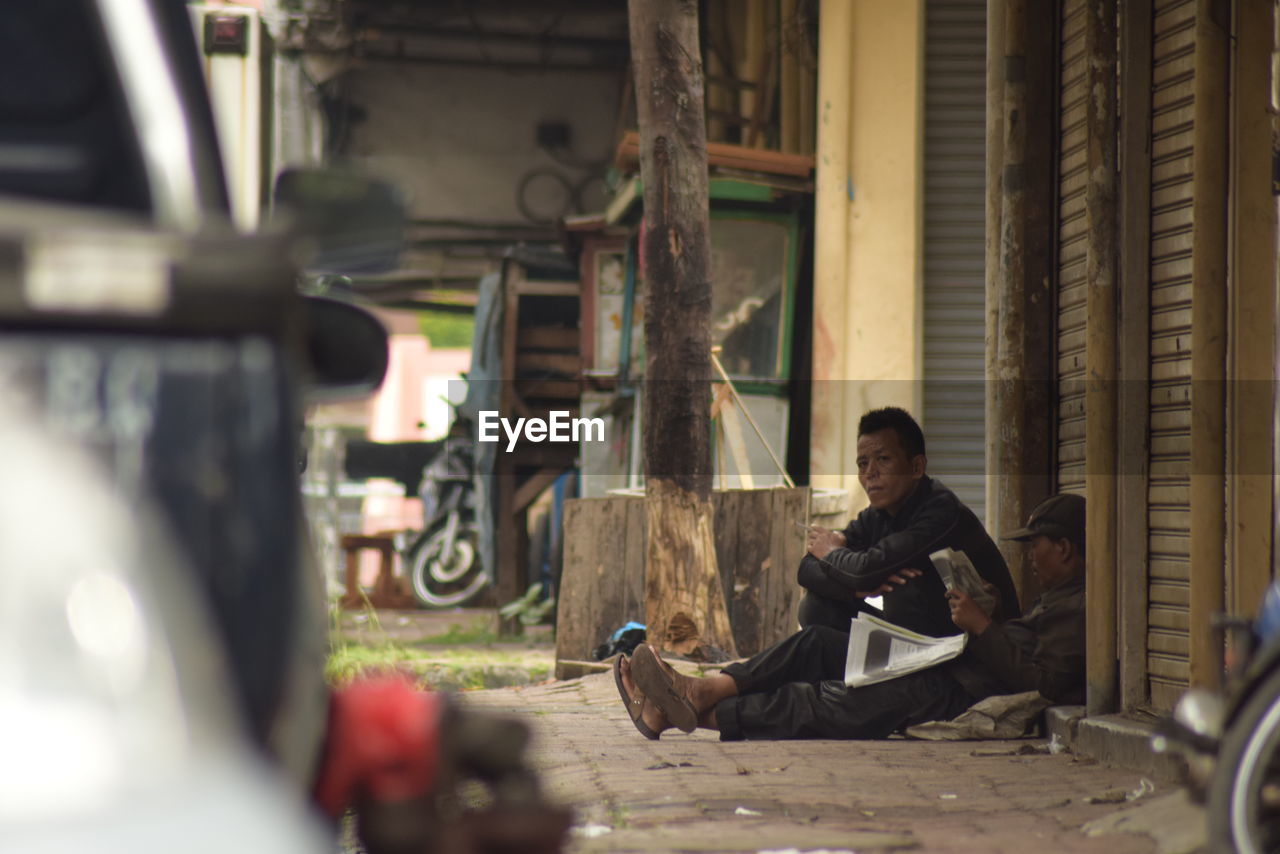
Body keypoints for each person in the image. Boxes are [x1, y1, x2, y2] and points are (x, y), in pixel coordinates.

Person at [614, 493, 1087, 741]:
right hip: (945, 662)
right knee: (815, 641)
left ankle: (672, 713)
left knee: (819, 703)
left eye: (1036, 547)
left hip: (954, 689)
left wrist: (983, 627)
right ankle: (698, 691)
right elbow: (809, 566)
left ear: (1063, 548)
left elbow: (1039, 683)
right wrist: (992, 614)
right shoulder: (1057, 597)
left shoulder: (1078, 610)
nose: (1030, 559)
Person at [799, 407, 1021, 638]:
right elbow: (806, 569)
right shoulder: (877, 514)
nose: (870, 473)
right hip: (915, 636)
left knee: (904, 586)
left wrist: (831, 555)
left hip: (976, 647)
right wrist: (857, 587)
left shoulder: (941, 511)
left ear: (916, 468)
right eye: (862, 464)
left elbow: (865, 569)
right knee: (815, 605)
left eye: (883, 459)